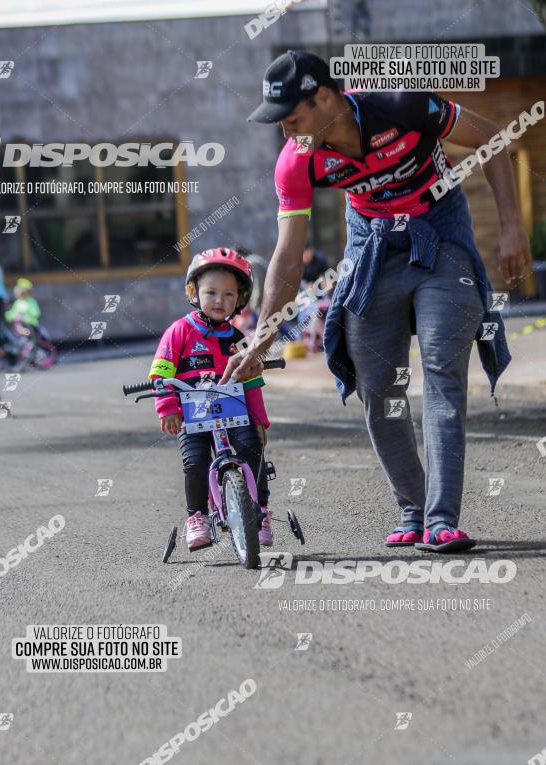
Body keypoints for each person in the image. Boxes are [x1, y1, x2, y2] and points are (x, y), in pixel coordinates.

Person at [221, 50, 531, 552]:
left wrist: (512, 227)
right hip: (372, 244)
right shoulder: (297, 160)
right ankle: (412, 507)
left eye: (293, 118)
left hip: (440, 231)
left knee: (441, 368)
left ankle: (441, 519)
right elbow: (287, 256)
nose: (286, 132)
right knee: (377, 383)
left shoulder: (401, 105)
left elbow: (494, 140)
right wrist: (262, 337)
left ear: (325, 98)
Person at [148, 247, 273, 550]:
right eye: (212, 292)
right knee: (196, 462)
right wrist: (167, 408)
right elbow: (160, 376)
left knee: (252, 450)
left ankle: (261, 513)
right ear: (193, 291)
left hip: (235, 412)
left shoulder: (238, 339)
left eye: (229, 295)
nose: (220, 301)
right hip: (194, 414)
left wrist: (260, 421)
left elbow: (252, 385)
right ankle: (197, 516)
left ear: (241, 299)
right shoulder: (179, 332)